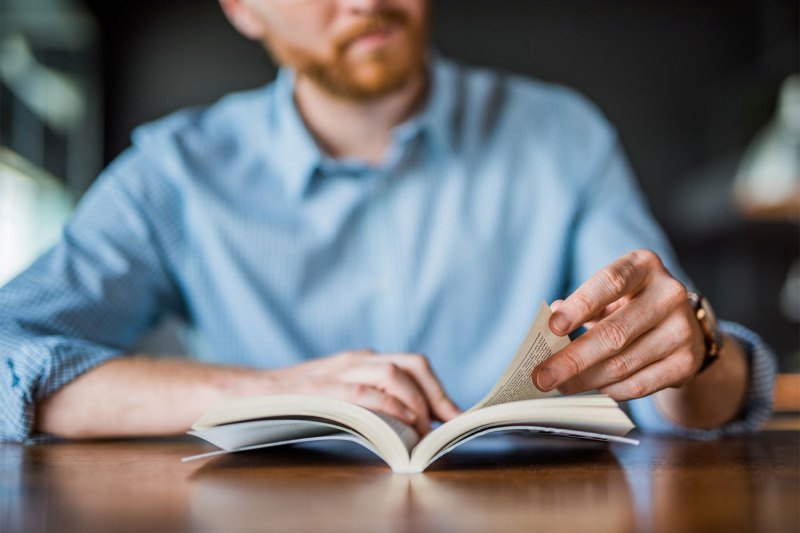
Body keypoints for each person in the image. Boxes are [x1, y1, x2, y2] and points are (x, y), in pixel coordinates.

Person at [0, 0, 776, 442]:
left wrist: (698, 350)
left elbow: (678, 397)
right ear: (242, 7)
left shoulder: (560, 137)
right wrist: (275, 391)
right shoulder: (172, 174)